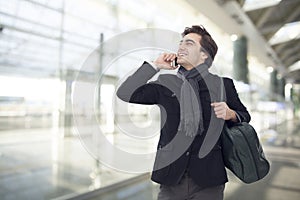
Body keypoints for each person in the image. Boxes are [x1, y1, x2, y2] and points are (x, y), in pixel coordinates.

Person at [117, 25, 250, 200]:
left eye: (189, 43)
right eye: (181, 43)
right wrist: (155, 65)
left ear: (204, 54)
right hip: (171, 178)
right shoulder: (166, 82)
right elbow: (125, 92)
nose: (181, 47)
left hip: (208, 179)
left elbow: (244, 115)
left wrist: (231, 113)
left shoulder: (222, 85)